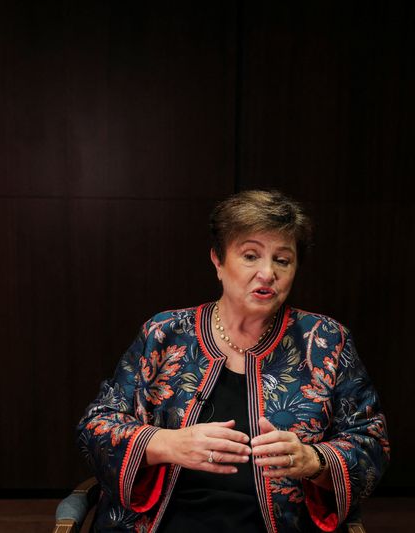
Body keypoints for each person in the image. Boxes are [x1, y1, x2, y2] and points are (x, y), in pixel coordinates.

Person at [77, 190, 390, 532]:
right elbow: (96, 427)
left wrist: (313, 461)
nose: (267, 273)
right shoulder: (164, 333)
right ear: (218, 260)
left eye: (282, 260)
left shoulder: (327, 341)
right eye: (251, 256)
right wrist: (167, 443)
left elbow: (371, 445)